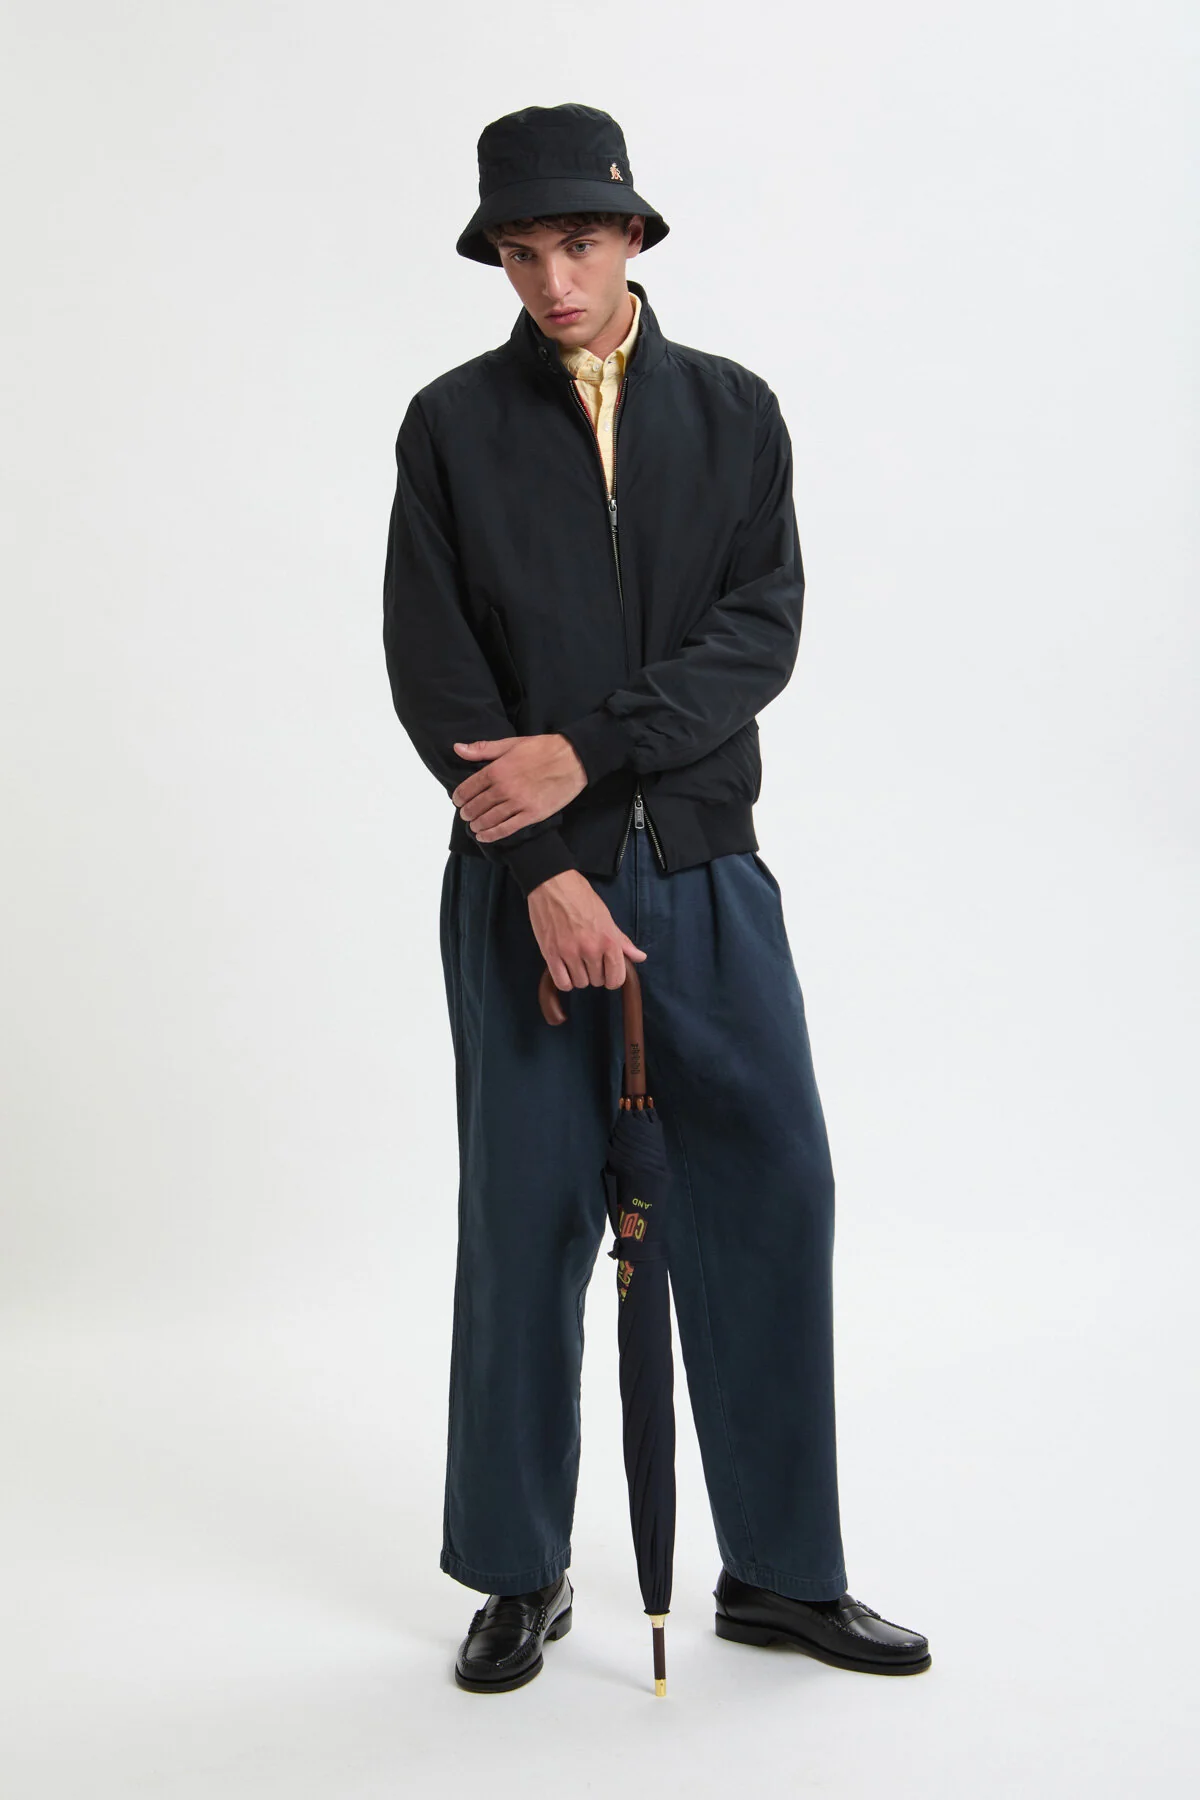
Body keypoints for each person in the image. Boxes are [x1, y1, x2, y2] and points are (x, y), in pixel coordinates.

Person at [382, 101, 930, 1694]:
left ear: (632, 235)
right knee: (528, 1215)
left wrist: (595, 751)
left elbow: (760, 630)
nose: (554, 280)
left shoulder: (734, 411)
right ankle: (517, 1570)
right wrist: (543, 864)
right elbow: (434, 669)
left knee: (772, 1189)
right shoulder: (450, 426)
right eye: (521, 252)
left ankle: (783, 1573)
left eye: (580, 241)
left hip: (703, 866)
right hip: (524, 893)